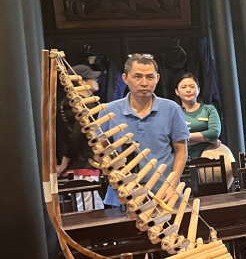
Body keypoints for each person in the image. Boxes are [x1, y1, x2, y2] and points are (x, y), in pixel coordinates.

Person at [103, 54, 188, 208]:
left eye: (150, 77)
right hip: (122, 195)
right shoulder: (109, 111)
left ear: (158, 78)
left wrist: (172, 185)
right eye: (137, 77)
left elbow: (181, 151)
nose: (144, 83)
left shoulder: (171, 109)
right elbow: (101, 152)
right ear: (125, 78)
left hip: (164, 193)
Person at [56, 64, 102, 209]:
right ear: (82, 81)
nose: (97, 80)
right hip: (83, 164)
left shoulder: (65, 105)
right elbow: (77, 135)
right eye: (93, 78)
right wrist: (65, 162)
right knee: (89, 209)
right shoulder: (83, 106)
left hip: (77, 164)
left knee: (88, 205)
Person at [175, 73, 221, 161]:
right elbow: (172, 137)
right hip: (181, 160)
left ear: (198, 90)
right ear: (177, 92)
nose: (188, 90)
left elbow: (214, 133)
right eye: (183, 87)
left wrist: (185, 137)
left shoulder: (209, 109)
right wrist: (207, 139)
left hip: (209, 158)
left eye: (192, 86)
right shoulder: (174, 112)